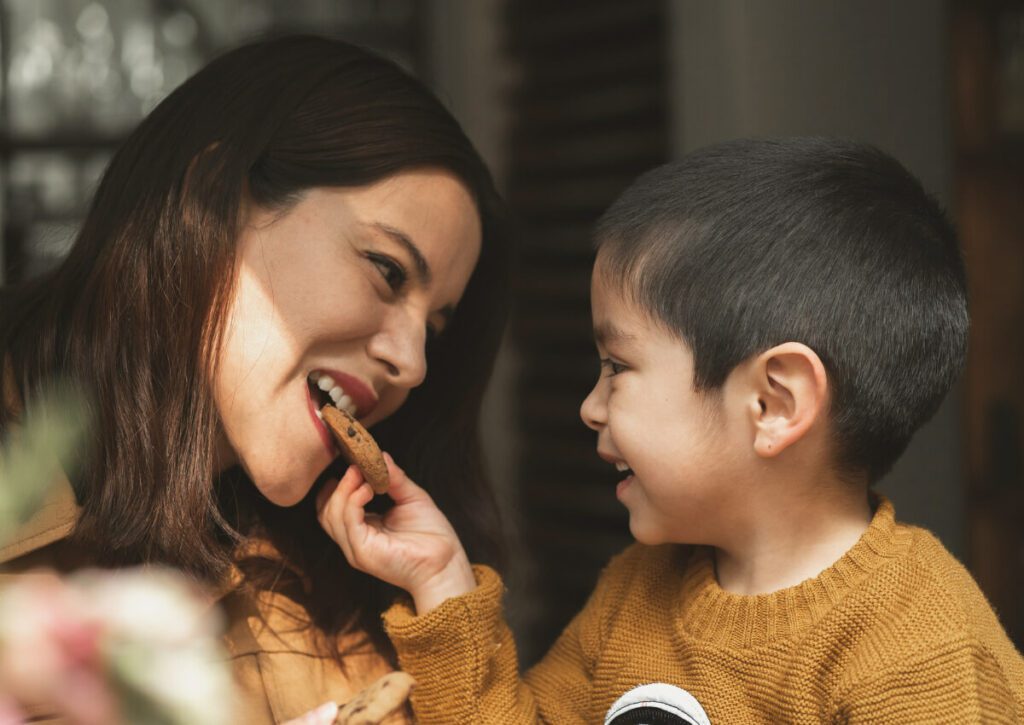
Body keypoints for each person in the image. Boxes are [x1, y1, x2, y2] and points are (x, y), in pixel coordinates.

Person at [319, 137, 1024, 722]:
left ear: (775, 402)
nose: (590, 408)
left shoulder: (919, 647)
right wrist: (442, 582)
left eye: (617, 365)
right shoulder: (638, 591)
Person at [0, 34, 509, 724]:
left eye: (435, 330)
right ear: (210, 201)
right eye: (387, 269)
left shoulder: (350, 592)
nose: (413, 363)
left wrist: (446, 605)